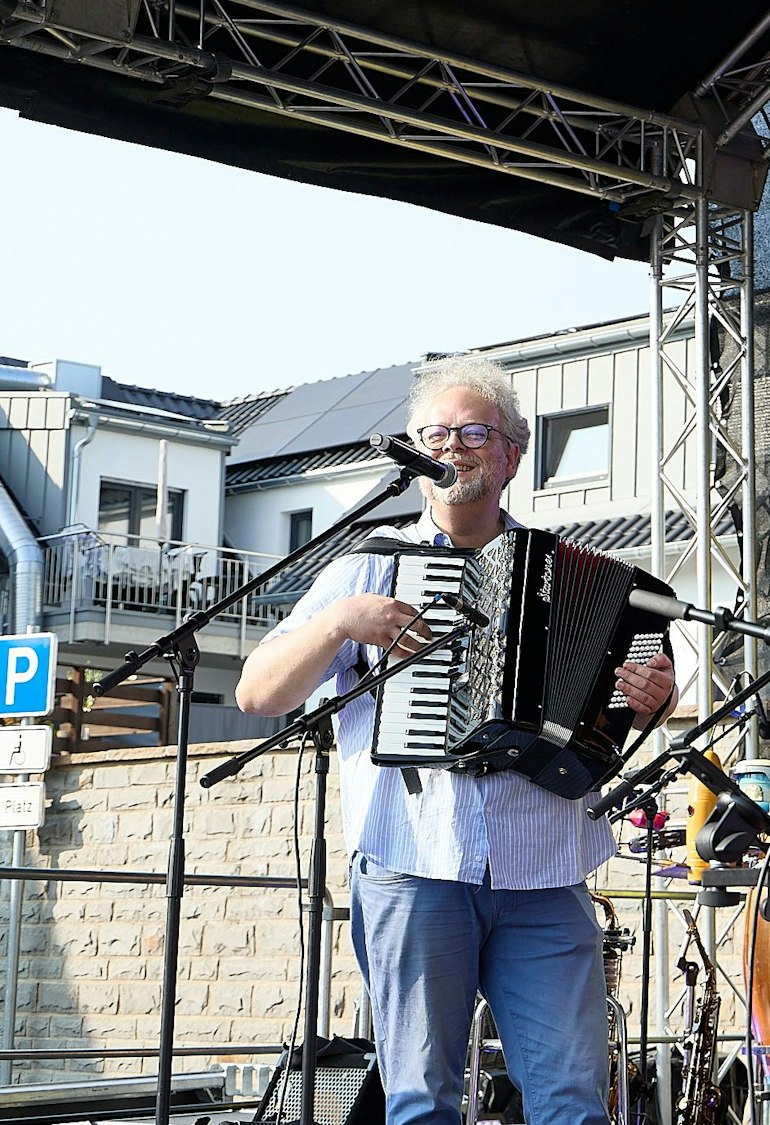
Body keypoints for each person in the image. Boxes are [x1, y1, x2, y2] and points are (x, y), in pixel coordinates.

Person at [237, 357, 677, 1125]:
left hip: (546, 869)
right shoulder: (369, 564)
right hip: (413, 866)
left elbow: (622, 713)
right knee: (421, 1104)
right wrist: (342, 623)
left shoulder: (569, 572)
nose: (455, 445)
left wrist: (649, 698)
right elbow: (256, 691)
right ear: (414, 454)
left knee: (573, 1103)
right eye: (436, 433)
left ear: (512, 453)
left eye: (475, 432)